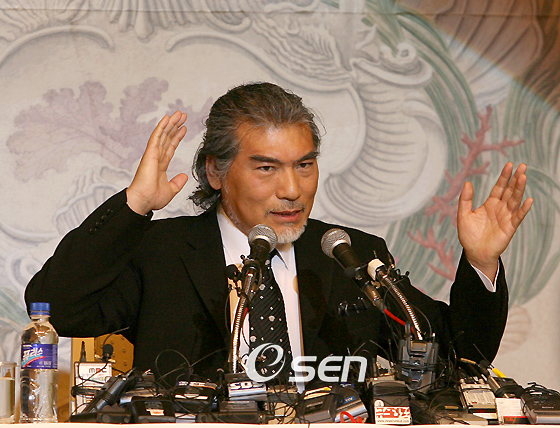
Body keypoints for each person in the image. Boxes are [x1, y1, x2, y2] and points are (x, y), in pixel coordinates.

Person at [25, 82, 532, 384]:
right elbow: (56, 307)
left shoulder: (350, 254)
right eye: (266, 168)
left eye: (304, 165)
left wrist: (481, 263)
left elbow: (460, 355)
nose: (292, 190)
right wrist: (135, 205)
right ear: (216, 171)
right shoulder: (160, 252)